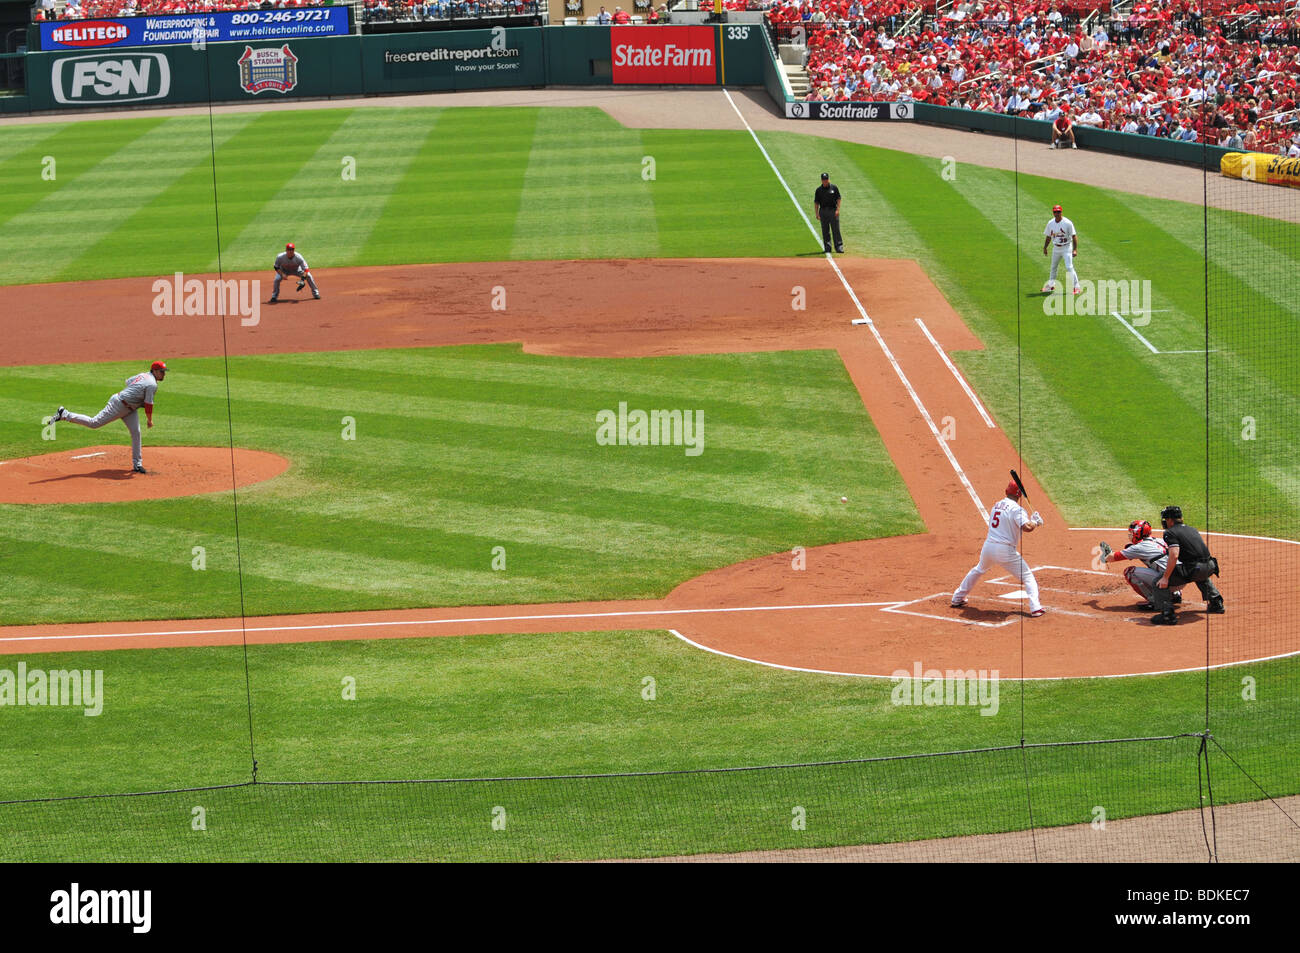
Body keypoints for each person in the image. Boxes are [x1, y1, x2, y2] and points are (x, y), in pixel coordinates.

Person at [51, 362, 167, 475]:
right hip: (118, 405)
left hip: (129, 409)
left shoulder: (143, 375)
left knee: (136, 433)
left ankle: (137, 464)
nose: (164, 374)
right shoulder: (152, 384)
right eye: (162, 372)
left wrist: (135, 396)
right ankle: (65, 414)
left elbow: (128, 382)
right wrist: (149, 420)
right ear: (155, 371)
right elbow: (148, 405)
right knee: (94, 423)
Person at [951, 480, 1046, 617]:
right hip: (1005, 550)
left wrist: (1032, 521)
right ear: (1019, 495)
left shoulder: (996, 505)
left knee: (979, 569)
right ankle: (1035, 608)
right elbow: (1027, 528)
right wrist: (1036, 522)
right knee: (1027, 577)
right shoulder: (1017, 509)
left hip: (988, 547)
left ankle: (957, 597)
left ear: (1007, 491)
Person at [1151, 505, 1225, 625]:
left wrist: (1165, 578)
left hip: (1196, 568)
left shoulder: (1170, 532)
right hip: (1211, 566)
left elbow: (1174, 555)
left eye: (1165, 519)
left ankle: (1167, 615)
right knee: (1200, 574)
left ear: (1170, 520)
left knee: (1158, 582)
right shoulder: (1192, 529)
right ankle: (1217, 603)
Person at [1099, 519, 1182, 610]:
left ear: (1137, 534)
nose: (1130, 535)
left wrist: (1106, 554)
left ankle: (1154, 600)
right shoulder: (1160, 540)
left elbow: (1112, 557)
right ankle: (1175, 595)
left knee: (1129, 572)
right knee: (1158, 562)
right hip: (1182, 579)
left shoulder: (1139, 547)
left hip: (1169, 582)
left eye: (1132, 533)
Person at [1041, 203, 1079, 295]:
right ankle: (1051, 285)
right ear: (1053, 213)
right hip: (1056, 248)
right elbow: (1048, 236)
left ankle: (1076, 287)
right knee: (1053, 267)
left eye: (1059, 212)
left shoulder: (1067, 223)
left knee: (1069, 267)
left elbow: (1074, 236)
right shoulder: (1051, 223)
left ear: (1061, 212)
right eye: (1055, 212)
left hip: (1066, 247)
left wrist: (1074, 249)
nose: (1057, 213)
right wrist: (1045, 247)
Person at [813, 172, 843, 254]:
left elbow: (839, 199)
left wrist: (838, 210)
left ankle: (839, 247)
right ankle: (827, 248)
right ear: (821, 180)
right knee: (825, 230)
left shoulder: (834, 188)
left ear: (828, 179)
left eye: (826, 179)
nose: (825, 181)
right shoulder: (818, 190)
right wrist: (817, 213)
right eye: (823, 180)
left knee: (836, 229)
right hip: (823, 211)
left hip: (833, 211)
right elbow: (816, 203)